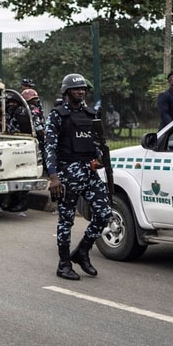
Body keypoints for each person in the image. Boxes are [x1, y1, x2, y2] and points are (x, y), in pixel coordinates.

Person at [44, 73, 112, 281]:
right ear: (66, 92)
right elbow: (50, 147)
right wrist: (54, 177)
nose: (81, 92)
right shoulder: (57, 115)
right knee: (66, 220)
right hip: (67, 174)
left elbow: (97, 143)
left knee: (104, 213)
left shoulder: (91, 114)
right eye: (76, 89)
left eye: (83, 89)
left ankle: (82, 251)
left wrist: (99, 159)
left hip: (89, 173)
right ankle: (64, 264)